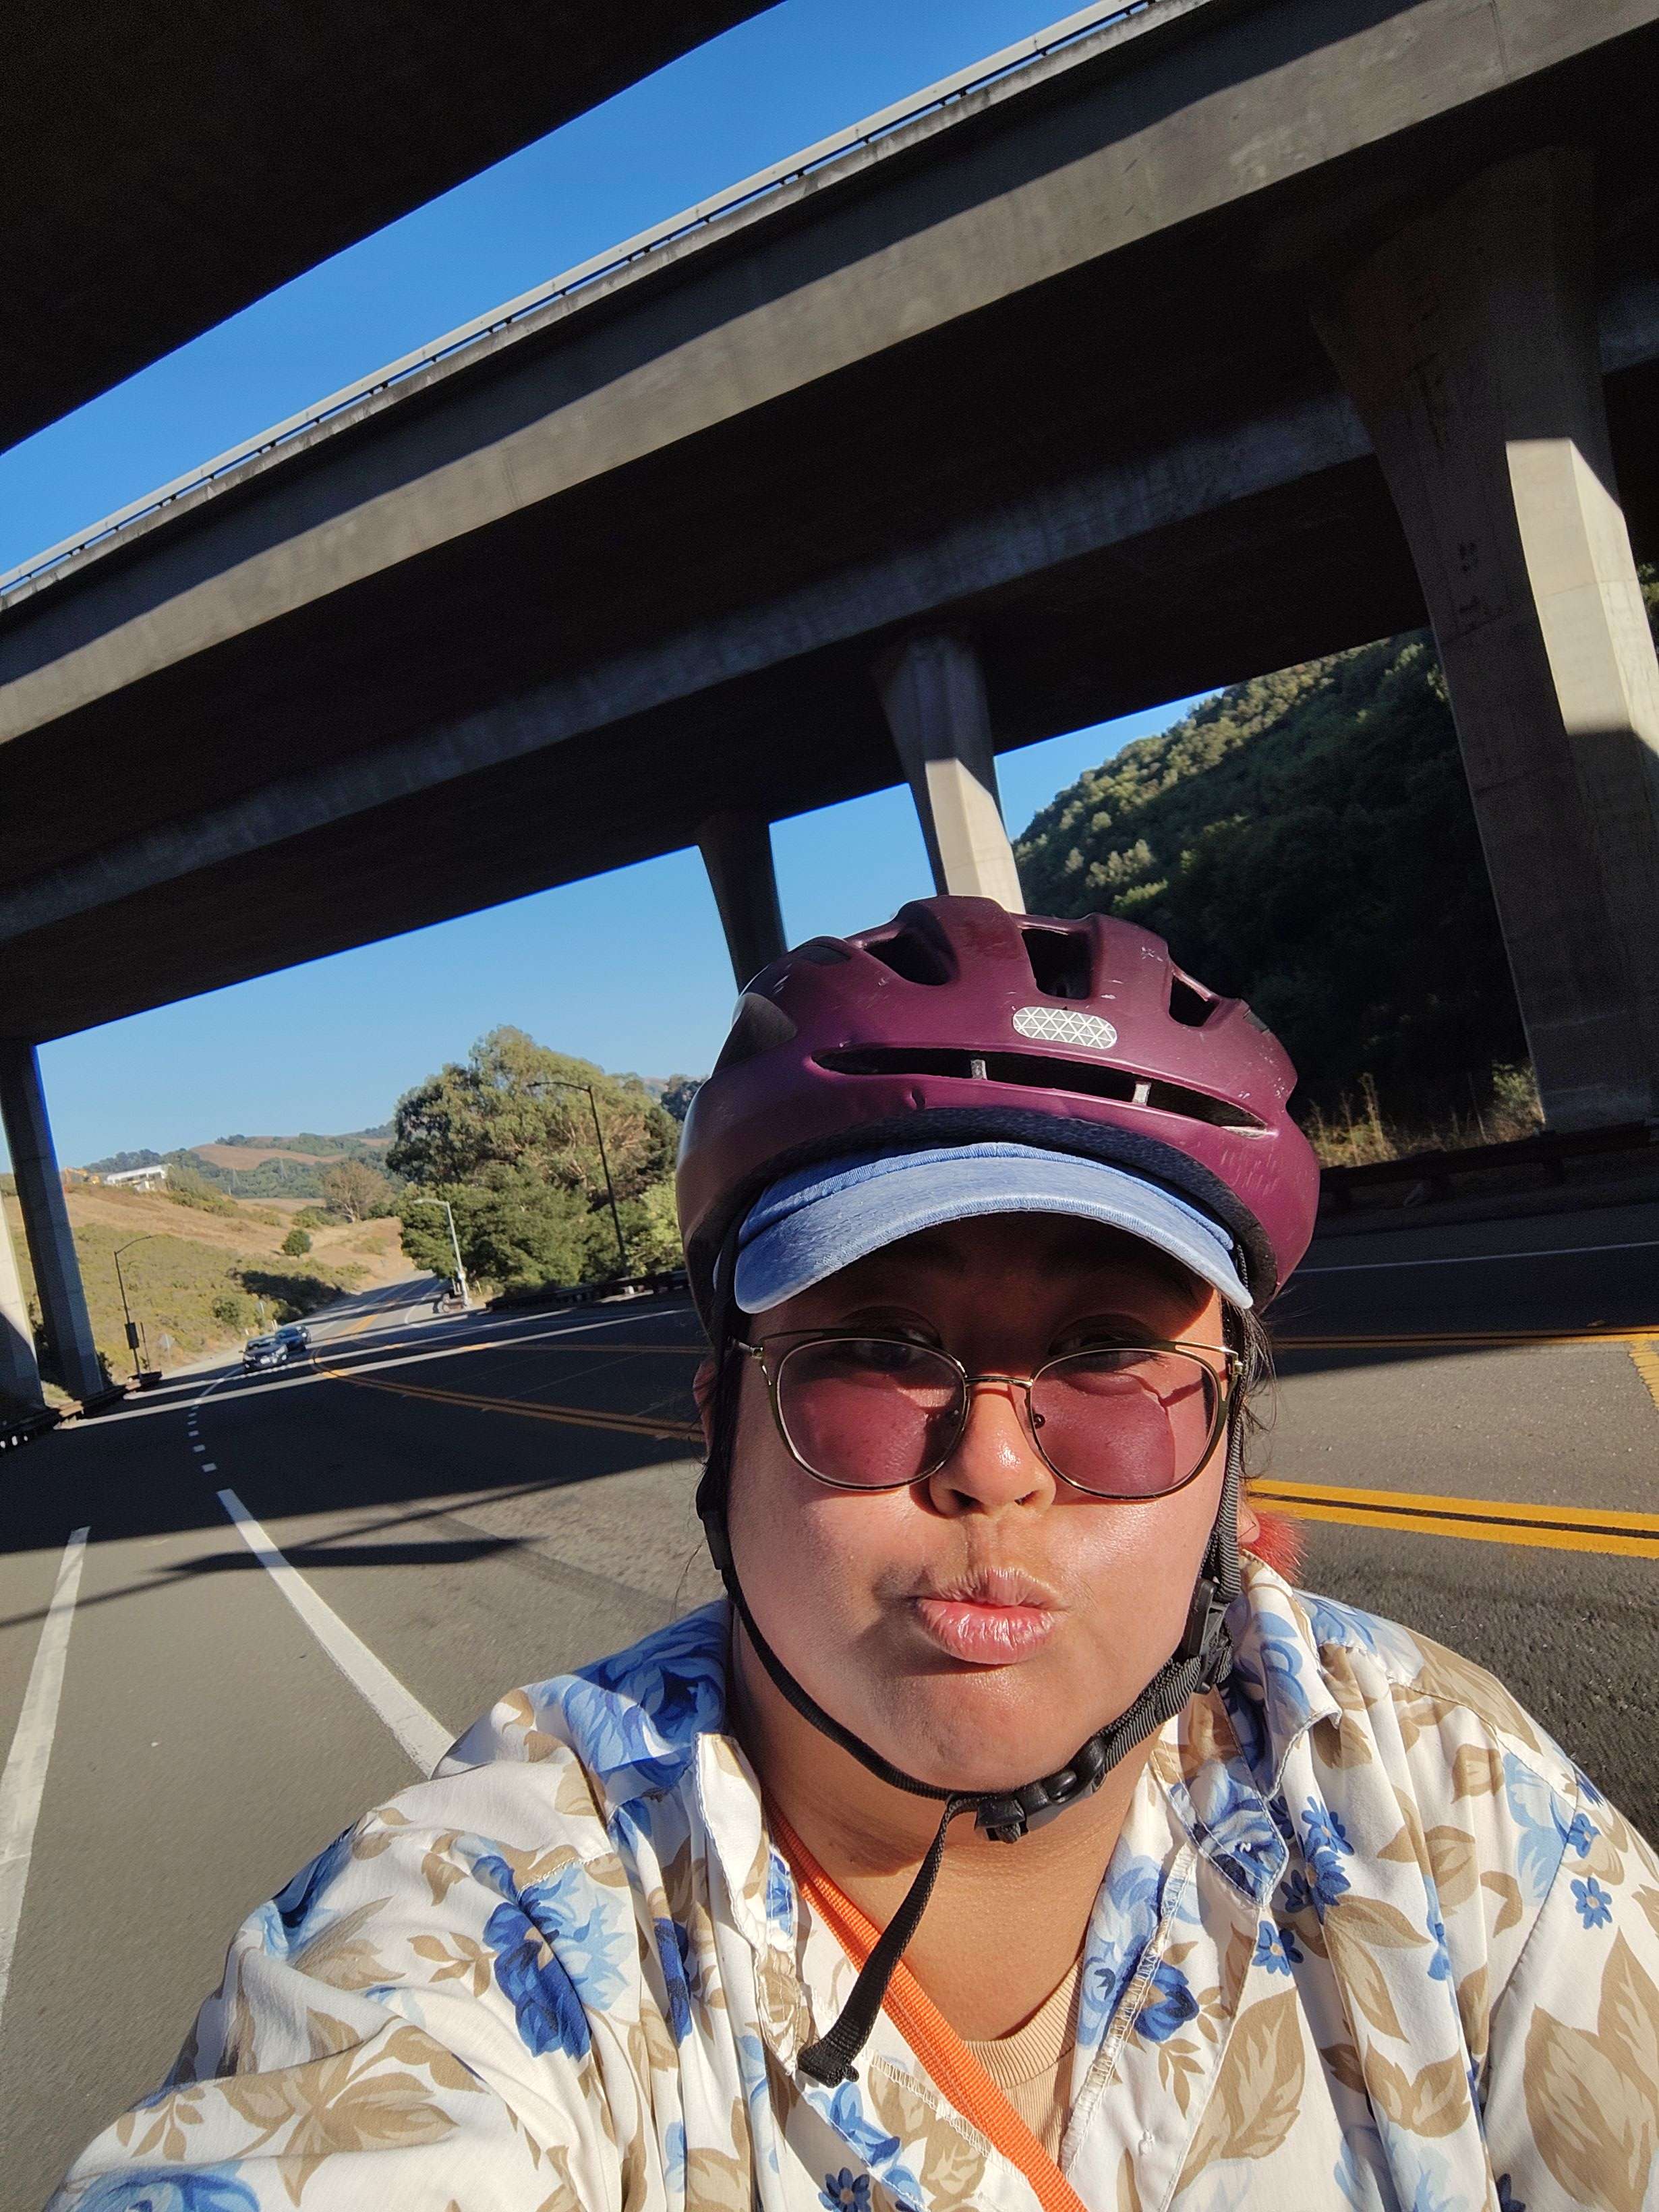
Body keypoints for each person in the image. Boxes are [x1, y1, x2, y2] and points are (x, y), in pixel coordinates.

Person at [51, 898, 1659, 2212]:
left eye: (1111, 1358)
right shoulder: (508, 1914)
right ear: (721, 1430)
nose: (994, 1462)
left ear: (1234, 1441)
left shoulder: (1429, 1793)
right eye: (878, 1348)